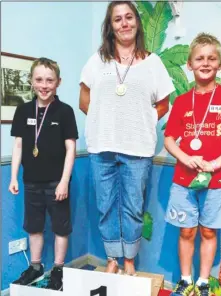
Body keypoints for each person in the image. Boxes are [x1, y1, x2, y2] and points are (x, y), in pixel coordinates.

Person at [79, 1, 174, 275]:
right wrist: (105, 122)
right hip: (102, 147)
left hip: (138, 149)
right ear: (110, 26)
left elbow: (163, 104)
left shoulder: (153, 62)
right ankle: (112, 260)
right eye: (117, 19)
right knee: (106, 206)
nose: (124, 23)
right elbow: (84, 99)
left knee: (133, 207)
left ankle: (129, 261)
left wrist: (141, 123)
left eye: (129, 17)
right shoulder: (98, 60)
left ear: (137, 22)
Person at [164, 33, 221, 296]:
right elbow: (169, 139)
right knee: (187, 231)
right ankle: (184, 279)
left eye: (212, 58)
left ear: (219, 64)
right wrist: (186, 158)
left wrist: (215, 163)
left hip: (218, 178)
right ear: (190, 64)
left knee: (209, 232)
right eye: (199, 58)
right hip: (183, 178)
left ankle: (202, 282)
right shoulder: (180, 102)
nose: (205, 62)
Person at [9, 57, 78, 290]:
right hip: (30, 182)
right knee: (34, 227)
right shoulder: (23, 110)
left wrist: (64, 182)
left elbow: (71, 149)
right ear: (31, 81)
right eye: (39, 79)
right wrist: (13, 177)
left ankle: (59, 269)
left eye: (50, 80)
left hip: (57, 182)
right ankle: (36, 267)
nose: (44, 85)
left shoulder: (65, 111)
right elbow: (18, 146)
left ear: (58, 82)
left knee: (60, 226)